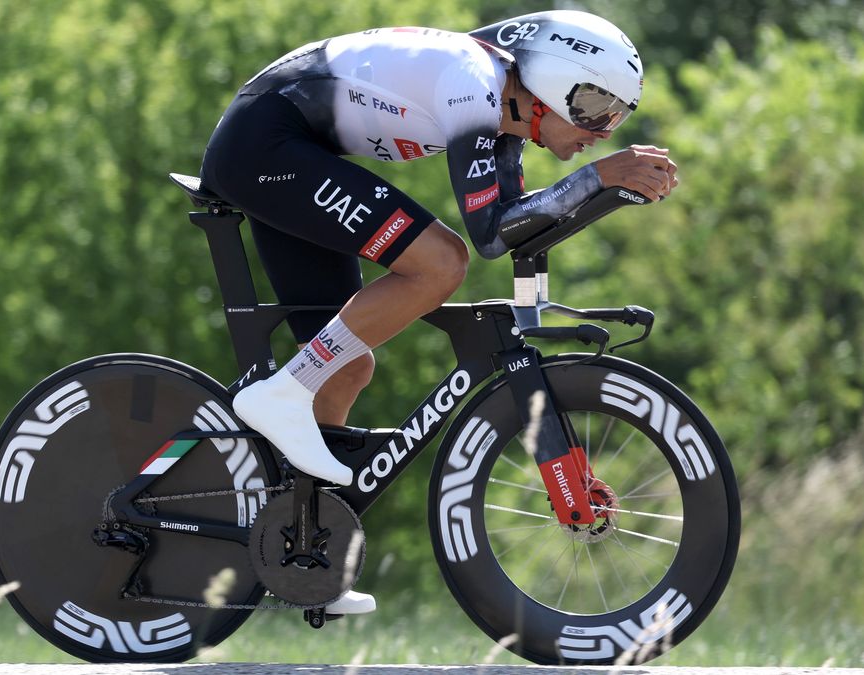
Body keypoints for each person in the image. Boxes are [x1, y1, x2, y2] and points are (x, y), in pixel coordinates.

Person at [199, 10, 677, 614]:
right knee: (439, 262)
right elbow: (488, 236)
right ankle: (281, 392)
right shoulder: (474, 86)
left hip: (291, 150)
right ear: (556, 84)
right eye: (596, 108)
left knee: (346, 367)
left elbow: (516, 231)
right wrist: (596, 178)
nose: (602, 130)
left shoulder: (507, 117)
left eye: (616, 117)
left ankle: (303, 551)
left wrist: (601, 191)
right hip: (265, 143)